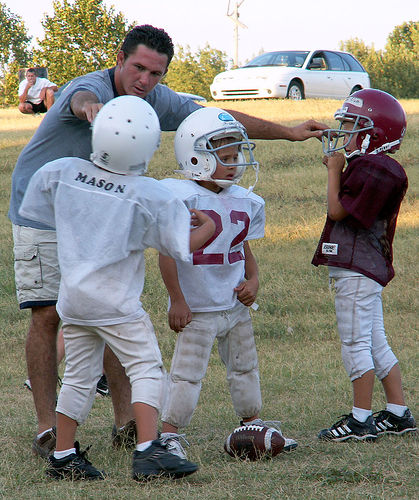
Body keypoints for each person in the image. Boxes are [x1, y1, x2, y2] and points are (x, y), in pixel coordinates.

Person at [9, 24, 327, 458]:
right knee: (48, 314)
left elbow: (215, 119)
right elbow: (80, 99)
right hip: (45, 210)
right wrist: (93, 111)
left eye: (155, 73)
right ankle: (48, 428)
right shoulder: (91, 88)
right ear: (120, 60)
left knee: (112, 305)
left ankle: (126, 422)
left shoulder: (156, 99)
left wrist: (288, 131)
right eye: (138, 68)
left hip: (104, 211)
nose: (145, 80)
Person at [19, 95, 216, 481]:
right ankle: (148, 451)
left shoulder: (61, 171)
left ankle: (63, 454)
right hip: (115, 303)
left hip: (73, 299)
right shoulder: (148, 194)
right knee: (146, 368)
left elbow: (42, 214)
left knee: (78, 375)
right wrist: (207, 228)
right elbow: (180, 245)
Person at [158, 107, 298, 459]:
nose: (235, 165)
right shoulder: (181, 197)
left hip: (234, 305)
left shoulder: (245, 200)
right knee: (187, 373)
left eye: (236, 156)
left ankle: (253, 423)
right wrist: (177, 299)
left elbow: (241, 246)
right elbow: (167, 253)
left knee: (245, 366)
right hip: (199, 307)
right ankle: (169, 434)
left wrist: (254, 279)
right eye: (226, 158)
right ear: (197, 157)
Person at [312, 89, 417, 442]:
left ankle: (360, 420)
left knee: (356, 342)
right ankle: (398, 412)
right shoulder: (374, 166)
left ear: (374, 133)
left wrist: (334, 171)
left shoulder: (376, 168)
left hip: (358, 269)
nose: (344, 132)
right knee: (374, 340)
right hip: (364, 268)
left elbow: (337, 211)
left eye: (351, 126)